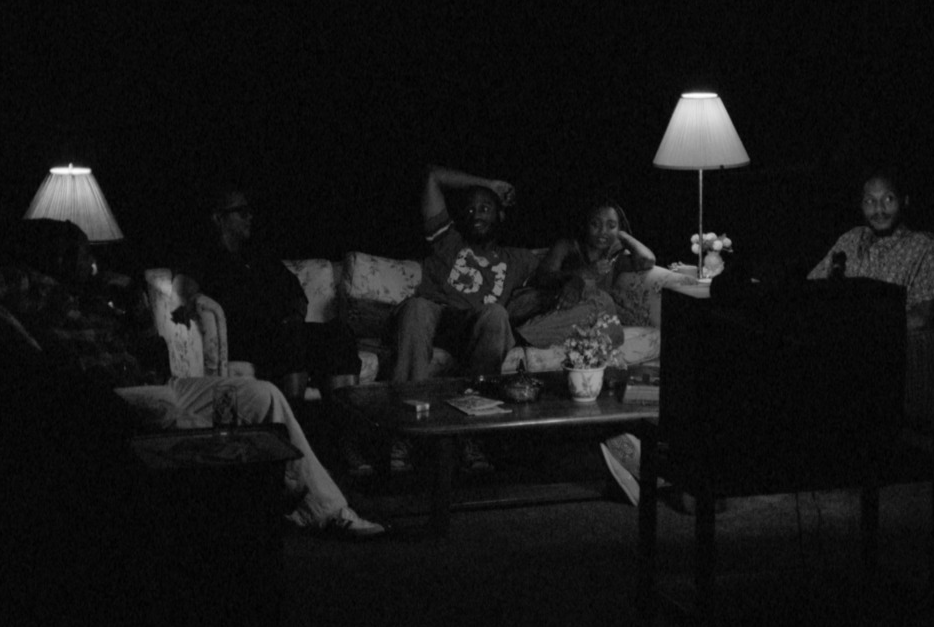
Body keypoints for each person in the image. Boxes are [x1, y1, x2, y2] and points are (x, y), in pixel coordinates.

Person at [0, 219, 384, 539]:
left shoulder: (99, 291)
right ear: (58, 256)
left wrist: (133, 305)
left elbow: (148, 347)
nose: (90, 261)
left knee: (261, 395)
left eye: (89, 252)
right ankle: (244, 504)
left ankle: (329, 510)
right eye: (81, 253)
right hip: (107, 394)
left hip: (157, 380)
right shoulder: (30, 286)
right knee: (170, 414)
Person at [386, 165, 542, 474]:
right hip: (434, 317)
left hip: (473, 330)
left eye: (485, 207)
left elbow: (561, 265)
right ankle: (404, 434)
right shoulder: (447, 240)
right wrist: (490, 183)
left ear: (501, 215)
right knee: (417, 306)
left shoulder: (518, 259)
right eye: (470, 208)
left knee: (496, 314)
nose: (476, 213)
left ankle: (473, 437)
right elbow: (431, 175)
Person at [174, 185, 362, 402]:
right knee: (291, 336)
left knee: (339, 333)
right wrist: (186, 300)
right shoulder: (205, 256)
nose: (250, 217)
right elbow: (183, 286)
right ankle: (291, 419)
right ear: (219, 218)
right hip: (243, 338)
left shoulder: (258, 256)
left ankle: (344, 417)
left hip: (281, 334)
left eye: (250, 211)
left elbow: (296, 292)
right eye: (242, 212)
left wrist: (294, 316)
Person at [807, 167, 934, 331]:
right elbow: (812, 288)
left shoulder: (922, 245)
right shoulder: (850, 239)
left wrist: (865, 325)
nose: (879, 210)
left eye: (888, 199)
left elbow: (923, 316)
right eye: (870, 201)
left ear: (904, 201)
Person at [513, 199, 656, 348]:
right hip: (539, 305)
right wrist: (578, 277)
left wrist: (622, 235)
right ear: (585, 224)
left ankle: (524, 337)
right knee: (603, 301)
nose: (603, 232)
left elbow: (647, 260)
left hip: (576, 316)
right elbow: (543, 277)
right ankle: (520, 337)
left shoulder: (614, 258)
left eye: (611, 226)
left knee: (608, 319)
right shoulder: (567, 246)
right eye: (595, 224)